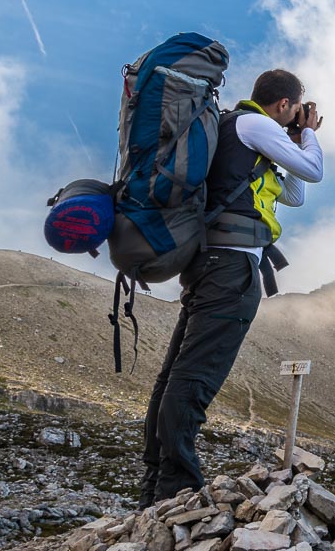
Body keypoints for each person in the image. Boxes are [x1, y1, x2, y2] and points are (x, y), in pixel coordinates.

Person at [138, 69, 324, 507]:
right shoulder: (254, 124)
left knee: (173, 377)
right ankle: (177, 487)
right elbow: (314, 171)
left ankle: (155, 487)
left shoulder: (236, 128)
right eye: (297, 107)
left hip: (210, 264)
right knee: (194, 378)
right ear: (284, 105)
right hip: (231, 270)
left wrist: (295, 139)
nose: (300, 114)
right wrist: (311, 134)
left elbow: (294, 195)